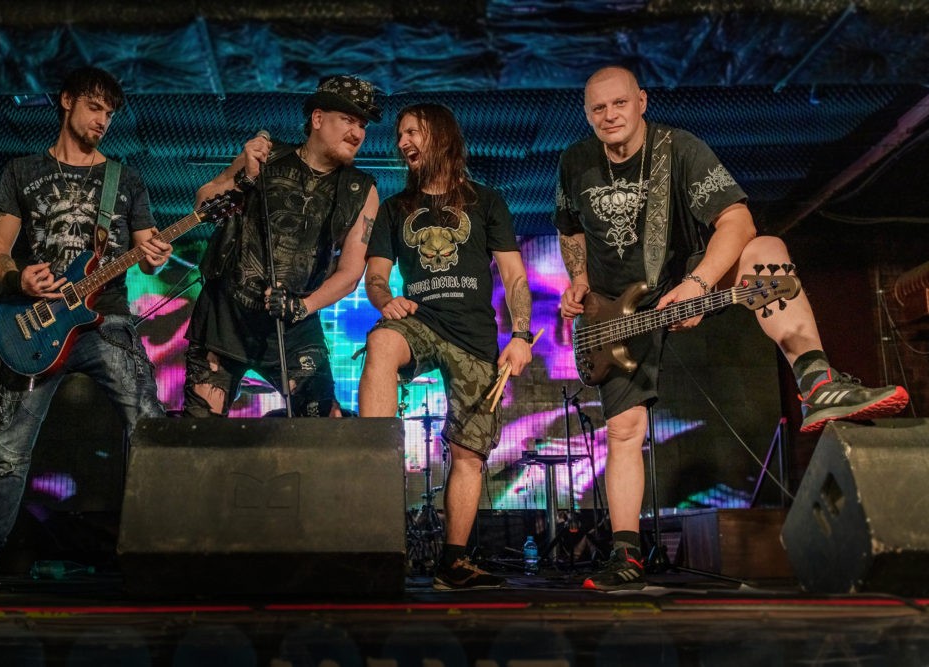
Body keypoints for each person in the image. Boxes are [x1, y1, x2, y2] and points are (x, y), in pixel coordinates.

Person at [554, 65, 910, 591]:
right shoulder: (574, 161)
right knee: (624, 430)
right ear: (587, 114)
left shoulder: (680, 149)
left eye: (619, 103)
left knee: (766, 250)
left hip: (687, 277)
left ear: (642, 102)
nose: (609, 115)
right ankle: (625, 555)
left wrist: (698, 283)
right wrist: (580, 281)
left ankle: (817, 382)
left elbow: (737, 220)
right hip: (612, 313)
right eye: (598, 108)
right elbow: (569, 229)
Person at [0, 66, 172, 592]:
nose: (103, 120)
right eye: (94, 107)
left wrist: (156, 254)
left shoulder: (126, 179)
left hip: (106, 321)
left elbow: (149, 252)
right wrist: (18, 276)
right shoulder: (22, 171)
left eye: (110, 113)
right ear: (66, 101)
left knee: (151, 430)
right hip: (36, 324)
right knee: (8, 450)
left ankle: (164, 553)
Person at [359, 103, 534, 590]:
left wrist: (521, 336)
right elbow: (375, 277)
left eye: (412, 132)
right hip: (421, 319)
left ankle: (453, 563)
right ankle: (374, 465)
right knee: (381, 342)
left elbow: (515, 277)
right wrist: (385, 300)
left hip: (475, 339)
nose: (402, 143)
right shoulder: (394, 209)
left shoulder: (487, 201)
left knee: (469, 453)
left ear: (440, 137)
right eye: (400, 134)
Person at [184, 75, 380, 418]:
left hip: (294, 325)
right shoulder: (267, 156)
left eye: (362, 125)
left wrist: (303, 307)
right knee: (200, 431)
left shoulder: (361, 190)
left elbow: (351, 273)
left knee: (322, 427)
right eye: (348, 120)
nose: (357, 133)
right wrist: (243, 176)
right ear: (317, 119)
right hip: (226, 317)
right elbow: (202, 205)